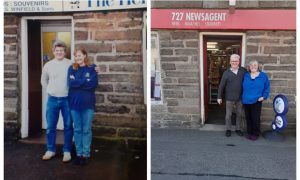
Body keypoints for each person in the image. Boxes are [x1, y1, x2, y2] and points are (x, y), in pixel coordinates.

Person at [41, 41, 73, 162]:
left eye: (61, 50)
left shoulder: (71, 63)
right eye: (57, 50)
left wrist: (95, 69)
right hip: (52, 99)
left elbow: (81, 72)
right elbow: (43, 80)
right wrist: (49, 89)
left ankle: (67, 151)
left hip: (67, 99)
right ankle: (50, 150)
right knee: (50, 127)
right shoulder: (48, 65)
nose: (59, 52)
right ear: (54, 51)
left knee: (68, 126)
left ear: (65, 52)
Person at [68, 47, 98, 166]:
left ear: (85, 55)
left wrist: (78, 81)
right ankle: (79, 153)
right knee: (78, 129)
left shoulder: (92, 68)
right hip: (74, 104)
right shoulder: (72, 68)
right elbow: (70, 84)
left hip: (88, 104)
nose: (77, 57)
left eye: (80, 55)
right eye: (76, 56)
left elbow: (93, 85)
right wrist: (85, 80)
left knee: (86, 130)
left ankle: (86, 154)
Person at [217, 54, 246, 137]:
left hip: (240, 97)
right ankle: (228, 129)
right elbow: (221, 85)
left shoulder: (243, 71)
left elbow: (250, 78)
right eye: (233, 61)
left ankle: (238, 129)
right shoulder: (226, 73)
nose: (234, 63)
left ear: (239, 62)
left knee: (239, 114)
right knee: (228, 115)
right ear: (230, 62)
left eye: (236, 61)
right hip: (229, 98)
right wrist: (219, 97)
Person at [242, 60, 270, 140]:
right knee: (248, 117)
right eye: (251, 65)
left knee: (255, 118)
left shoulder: (263, 76)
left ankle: (255, 133)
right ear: (249, 67)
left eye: (255, 65)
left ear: (258, 67)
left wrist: (264, 96)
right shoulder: (246, 75)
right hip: (246, 100)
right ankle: (249, 132)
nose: (253, 66)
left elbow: (267, 87)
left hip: (257, 100)